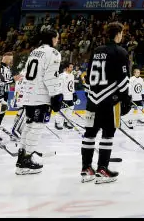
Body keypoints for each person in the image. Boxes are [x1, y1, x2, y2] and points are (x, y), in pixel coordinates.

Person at [81, 22, 132, 183]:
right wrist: (126, 99)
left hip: (92, 100)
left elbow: (88, 76)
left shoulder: (97, 51)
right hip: (109, 100)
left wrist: (91, 95)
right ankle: (102, 168)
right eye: (121, 33)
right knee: (108, 134)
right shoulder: (120, 52)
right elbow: (123, 80)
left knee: (89, 134)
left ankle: (86, 168)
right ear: (118, 34)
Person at [16, 30, 63, 175]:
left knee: (29, 125)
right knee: (36, 127)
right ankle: (27, 160)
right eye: (57, 38)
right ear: (52, 38)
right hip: (40, 95)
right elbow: (50, 77)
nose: (58, 40)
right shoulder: (53, 53)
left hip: (29, 94)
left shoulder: (34, 52)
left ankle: (22, 157)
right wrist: (56, 95)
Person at [0, 51, 15, 142]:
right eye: (10, 59)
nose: (11, 60)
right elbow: (0, 81)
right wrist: (13, 80)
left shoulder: (7, 68)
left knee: (1, 114)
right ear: (5, 57)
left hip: (5, 93)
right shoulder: (0, 67)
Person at [56, 63, 76, 131]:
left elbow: (72, 85)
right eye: (70, 67)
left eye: (72, 67)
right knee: (62, 110)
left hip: (70, 96)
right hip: (64, 96)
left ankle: (66, 122)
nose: (72, 68)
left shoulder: (72, 76)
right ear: (67, 68)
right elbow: (59, 85)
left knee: (71, 108)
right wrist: (59, 94)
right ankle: (57, 123)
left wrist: (74, 93)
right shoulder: (62, 75)